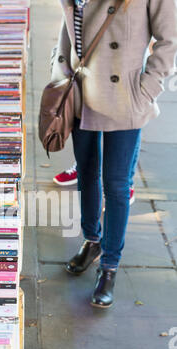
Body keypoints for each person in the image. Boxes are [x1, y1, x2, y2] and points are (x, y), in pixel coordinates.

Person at [49, 0, 177, 308]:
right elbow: (71, 23)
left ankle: (110, 265)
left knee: (117, 184)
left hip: (124, 94)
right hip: (79, 87)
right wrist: (58, 67)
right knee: (87, 171)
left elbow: (170, 38)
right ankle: (92, 240)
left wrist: (146, 90)